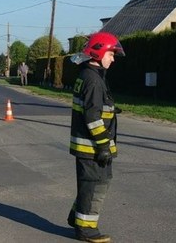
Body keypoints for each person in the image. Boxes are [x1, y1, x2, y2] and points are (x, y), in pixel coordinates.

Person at [67, 32, 125, 243]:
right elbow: (92, 117)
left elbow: (93, 108)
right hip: (92, 147)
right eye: (111, 53)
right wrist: (103, 147)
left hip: (88, 146)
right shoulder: (93, 80)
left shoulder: (89, 75)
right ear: (99, 53)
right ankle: (86, 230)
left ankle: (77, 217)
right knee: (95, 185)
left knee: (90, 184)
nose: (113, 58)